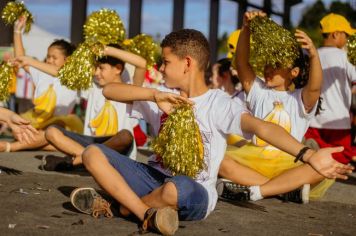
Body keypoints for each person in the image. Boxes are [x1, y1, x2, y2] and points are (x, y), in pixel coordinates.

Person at [67, 29, 352, 235]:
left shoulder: (218, 103)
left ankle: (121, 207)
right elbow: (109, 90)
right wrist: (154, 95)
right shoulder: (161, 94)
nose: (161, 68)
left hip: (194, 191)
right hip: (152, 178)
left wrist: (306, 154)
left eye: (166, 62)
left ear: (187, 64)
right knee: (92, 153)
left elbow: (261, 127)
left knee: (175, 189)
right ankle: (145, 215)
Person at [218, 11, 334, 204]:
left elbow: (314, 87)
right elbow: (241, 62)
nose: (269, 68)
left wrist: (314, 54)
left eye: (277, 64)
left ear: (294, 72)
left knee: (324, 167)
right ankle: (283, 190)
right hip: (252, 159)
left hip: (290, 162)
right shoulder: (258, 91)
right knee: (219, 160)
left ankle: (254, 188)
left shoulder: (301, 99)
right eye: (268, 63)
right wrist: (246, 29)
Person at [42, 44, 147, 171]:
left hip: (117, 148)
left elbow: (142, 64)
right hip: (91, 143)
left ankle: (78, 161)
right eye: (95, 67)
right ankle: (88, 160)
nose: (96, 73)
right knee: (51, 132)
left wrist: (106, 50)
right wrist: (28, 61)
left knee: (125, 136)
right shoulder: (93, 87)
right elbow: (62, 74)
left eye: (101, 68)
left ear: (118, 69)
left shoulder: (129, 89)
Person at [0, 16, 81, 152]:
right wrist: (17, 32)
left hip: (61, 124)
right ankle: (52, 145)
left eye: (54, 57)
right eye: (48, 56)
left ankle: (11, 147)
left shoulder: (72, 77)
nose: (49, 60)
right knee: (23, 131)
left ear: (67, 60)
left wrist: (30, 61)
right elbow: (22, 59)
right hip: (38, 121)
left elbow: (58, 72)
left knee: (54, 130)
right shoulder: (42, 73)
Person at [304, 13, 356, 164]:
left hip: (312, 120)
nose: (347, 39)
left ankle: (316, 151)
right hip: (337, 123)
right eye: (346, 35)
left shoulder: (311, 55)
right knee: (342, 158)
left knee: (313, 156)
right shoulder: (345, 57)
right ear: (336, 34)